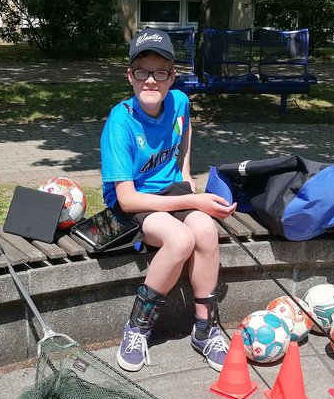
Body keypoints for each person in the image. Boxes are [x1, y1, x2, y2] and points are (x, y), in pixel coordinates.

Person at [100, 28, 237, 373]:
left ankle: (205, 330)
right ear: (129, 75)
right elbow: (128, 199)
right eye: (142, 71)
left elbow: (185, 127)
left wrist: (186, 175)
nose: (151, 80)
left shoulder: (179, 101)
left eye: (161, 72)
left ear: (172, 76)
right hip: (134, 201)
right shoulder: (120, 123)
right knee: (180, 239)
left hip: (170, 190)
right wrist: (195, 201)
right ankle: (137, 327)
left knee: (205, 231)